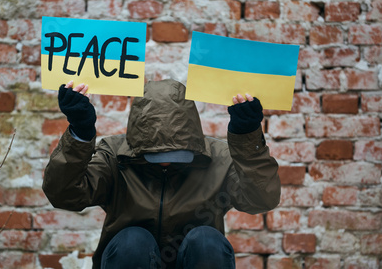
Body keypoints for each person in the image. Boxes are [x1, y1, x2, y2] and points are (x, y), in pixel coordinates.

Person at [42, 79, 280, 269]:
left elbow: (261, 198)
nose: (166, 163)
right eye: (154, 159)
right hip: (130, 260)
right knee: (133, 242)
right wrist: (80, 132)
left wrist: (247, 136)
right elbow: (64, 195)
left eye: (177, 158)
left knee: (207, 241)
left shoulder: (217, 157)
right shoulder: (115, 155)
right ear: (137, 148)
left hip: (197, 260)